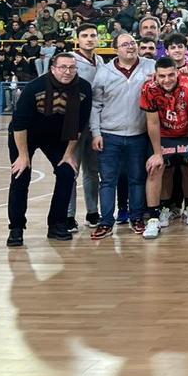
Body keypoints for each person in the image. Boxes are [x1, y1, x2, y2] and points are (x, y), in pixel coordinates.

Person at [6, 52, 92, 247]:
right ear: (53, 69)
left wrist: (69, 154)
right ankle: (16, 228)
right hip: (26, 135)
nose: (67, 71)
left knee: (67, 173)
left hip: (58, 136)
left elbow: (79, 125)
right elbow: (19, 124)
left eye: (72, 67)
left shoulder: (84, 88)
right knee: (20, 176)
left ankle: (57, 224)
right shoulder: (34, 88)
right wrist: (23, 156)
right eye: (63, 67)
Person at [89, 34, 156, 239]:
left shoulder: (150, 66)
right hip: (109, 135)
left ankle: (136, 217)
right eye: (125, 44)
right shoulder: (104, 72)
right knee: (108, 181)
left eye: (133, 43)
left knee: (137, 179)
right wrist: (96, 133)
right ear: (115, 49)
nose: (130, 47)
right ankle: (106, 221)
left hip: (139, 134)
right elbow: (95, 105)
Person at [138, 57, 188, 238]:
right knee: (157, 168)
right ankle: (156, 216)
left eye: (171, 75)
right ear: (156, 75)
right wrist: (157, 153)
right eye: (162, 76)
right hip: (164, 135)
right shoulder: (148, 88)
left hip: (186, 134)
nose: (167, 80)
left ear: (177, 72)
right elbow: (152, 123)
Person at [70, 23, 106, 229]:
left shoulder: (100, 60)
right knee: (70, 170)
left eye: (93, 35)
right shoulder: (70, 60)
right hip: (73, 122)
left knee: (92, 171)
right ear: (78, 39)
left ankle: (93, 212)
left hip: (94, 123)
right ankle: (68, 215)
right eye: (85, 35)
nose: (90, 39)